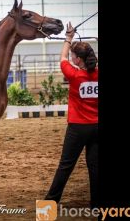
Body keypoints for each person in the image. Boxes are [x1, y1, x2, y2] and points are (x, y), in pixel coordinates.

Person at [44, 22, 98, 208]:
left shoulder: (73, 75)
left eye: (74, 56)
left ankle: (47, 209)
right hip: (97, 127)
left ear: (78, 60)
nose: (71, 58)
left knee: (65, 167)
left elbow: (62, 57)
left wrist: (69, 37)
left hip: (77, 127)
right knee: (95, 168)